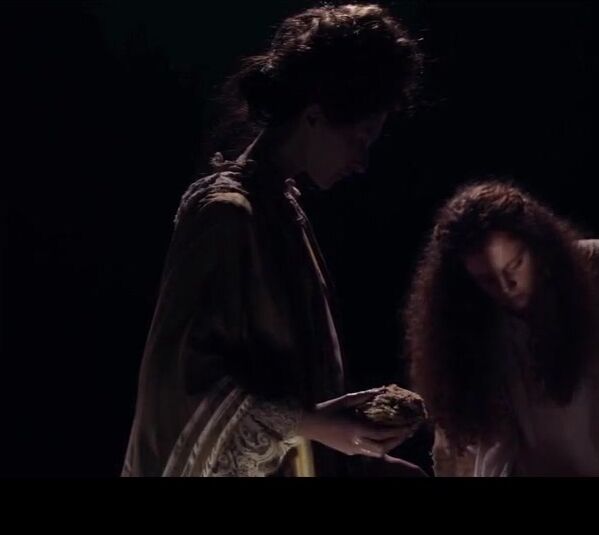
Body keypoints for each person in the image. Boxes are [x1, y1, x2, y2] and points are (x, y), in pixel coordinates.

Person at [122, 4, 425, 477]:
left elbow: (281, 381)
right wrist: (315, 424)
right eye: (360, 138)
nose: (362, 162)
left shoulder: (281, 209)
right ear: (314, 116)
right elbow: (179, 389)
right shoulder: (226, 214)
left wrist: (336, 427)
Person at [407, 180, 599, 476]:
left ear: (537, 245)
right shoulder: (471, 332)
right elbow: (468, 451)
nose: (506, 288)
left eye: (515, 265)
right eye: (487, 280)